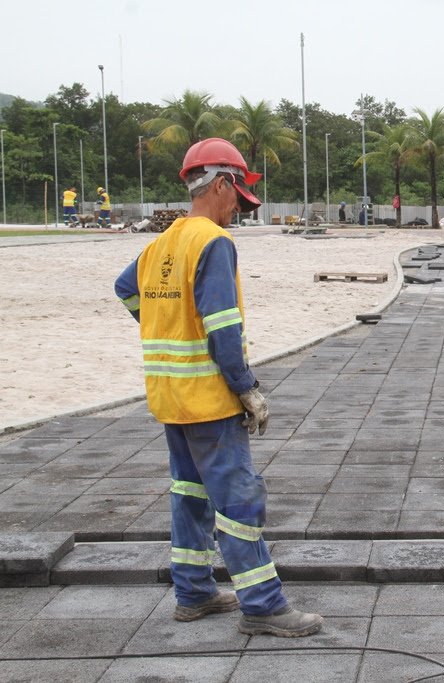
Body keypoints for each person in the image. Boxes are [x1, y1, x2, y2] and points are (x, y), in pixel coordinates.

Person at [114, 138, 323, 638]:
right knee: (239, 501)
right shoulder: (213, 242)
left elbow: (125, 289)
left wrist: (161, 323)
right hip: (209, 400)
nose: (238, 209)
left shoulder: (161, 242)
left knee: (189, 494)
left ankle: (195, 592)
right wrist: (246, 387)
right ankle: (264, 605)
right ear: (224, 182)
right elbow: (223, 328)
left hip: (169, 397)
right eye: (239, 196)